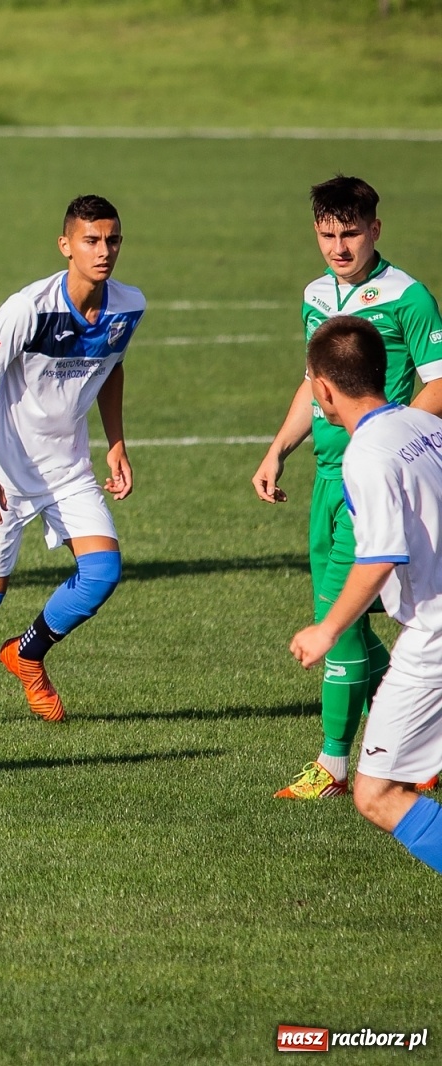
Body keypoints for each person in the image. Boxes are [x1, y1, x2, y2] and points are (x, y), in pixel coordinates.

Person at [0, 195, 143, 728]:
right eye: (90, 240)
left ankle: (27, 654)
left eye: (111, 240)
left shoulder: (128, 306)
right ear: (66, 246)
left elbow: (112, 367)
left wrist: (116, 442)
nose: (102, 250)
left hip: (68, 470)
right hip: (5, 473)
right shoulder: (29, 309)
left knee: (103, 572)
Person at [253, 176, 442, 799]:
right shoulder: (316, 293)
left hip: (370, 480)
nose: (339, 247)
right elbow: (316, 383)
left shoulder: (407, 297)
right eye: (328, 234)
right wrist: (279, 448)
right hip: (327, 480)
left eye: (351, 234)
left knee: (335, 621)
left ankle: (333, 765)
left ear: (375, 230)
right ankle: (425, 738)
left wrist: (396, 441)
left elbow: (439, 380)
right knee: (350, 626)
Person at [290, 316, 442, 874]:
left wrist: (327, 629)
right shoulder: (421, 423)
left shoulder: (367, 454)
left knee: (376, 794)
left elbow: (378, 554)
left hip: (434, 636)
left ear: (323, 389)